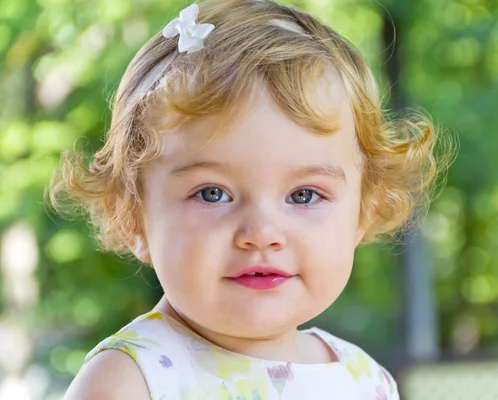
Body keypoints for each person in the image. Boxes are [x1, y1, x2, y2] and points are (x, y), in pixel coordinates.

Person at [51, 0, 449, 398]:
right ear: (131, 216)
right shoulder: (131, 381)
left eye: (304, 195)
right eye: (212, 193)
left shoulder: (365, 381)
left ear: (363, 211)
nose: (261, 233)